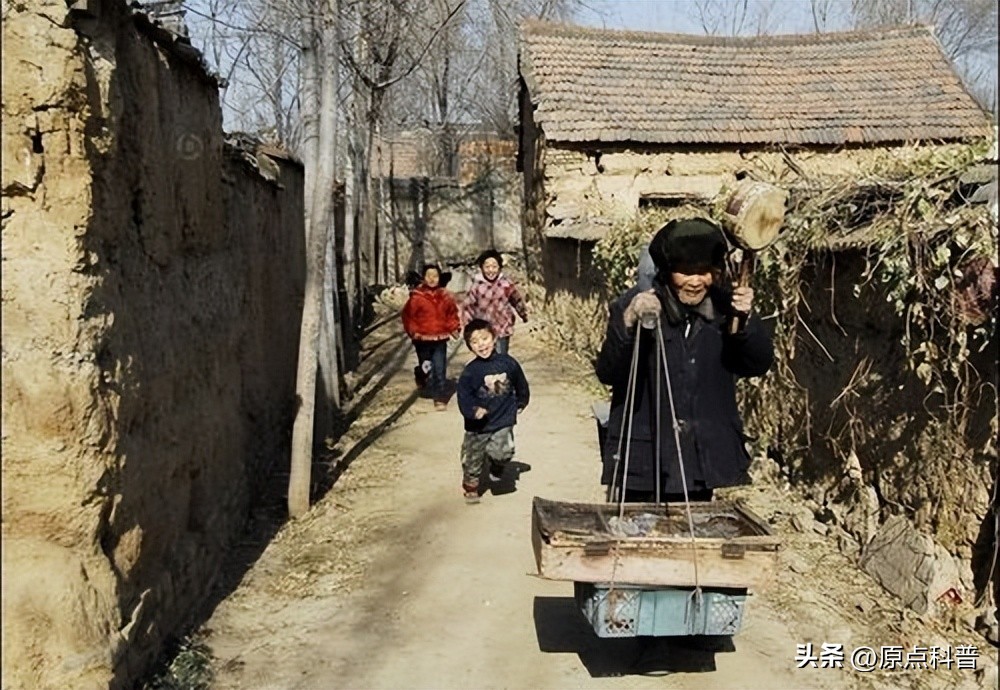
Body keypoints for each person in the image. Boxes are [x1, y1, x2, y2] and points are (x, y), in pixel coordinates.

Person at [595, 217, 774, 503]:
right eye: (685, 272)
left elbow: (756, 365)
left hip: (698, 459)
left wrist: (747, 320)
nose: (695, 281)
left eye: (704, 272)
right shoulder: (634, 305)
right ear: (666, 272)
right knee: (640, 541)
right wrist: (630, 321)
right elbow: (609, 371)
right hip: (643, 462)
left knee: (693, 545)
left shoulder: (726, 311)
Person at [456, 318, 530, 504]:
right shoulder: (470, 371)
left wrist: (521, 401)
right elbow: (463, 396)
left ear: (494, 338)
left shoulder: (508, 363)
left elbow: (521, 383)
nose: (481, 345)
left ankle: (497, 466)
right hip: (478, 425)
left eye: (484, 339)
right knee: (473, 458)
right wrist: (473, 410)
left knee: (504, 451)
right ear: (469, 347)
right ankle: (471, 486)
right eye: (475, 342)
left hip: (503, 417)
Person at [401, 264, 460, 410]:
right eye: (429, 276)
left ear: (439, 278)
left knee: (439, 368)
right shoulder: (416, 297)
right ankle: (420, 374)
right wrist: (413, 331)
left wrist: (454, 328)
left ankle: (439, 397)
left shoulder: (445, 296)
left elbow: (451, 314)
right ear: (424, 278)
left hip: (440, 339)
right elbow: (408, 316)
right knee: (427, 368)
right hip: (422, 340)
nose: (432, 279)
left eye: (435, 276)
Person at [460, 249, 528, 355]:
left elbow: (516, 299)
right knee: (486, 356)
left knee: (501, 356)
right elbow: (468, 307)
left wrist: (523, 314)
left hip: (502, 327)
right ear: (481, 268)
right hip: (484, 329)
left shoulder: (505, 284)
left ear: (499, 268)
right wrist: (468, 328)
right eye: (487, 267)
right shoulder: (477, 286)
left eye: (494, 266)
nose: (491, 270)